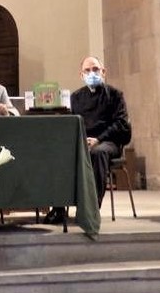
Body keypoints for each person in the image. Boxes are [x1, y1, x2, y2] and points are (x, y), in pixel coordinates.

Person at [45, 56, 132, 224]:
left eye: (95, 69)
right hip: (83, 141)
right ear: (81, 75)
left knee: (97, 153)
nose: (92, 73)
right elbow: (71, 124)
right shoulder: (76, 97)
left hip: (108, 142)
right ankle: (58, 209)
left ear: (103, 72)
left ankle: (91, 210)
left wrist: (98, 139)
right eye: (87, 70)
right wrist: (80, 140)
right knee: (60, 154)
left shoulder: (115, 95)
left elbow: (121, 123)